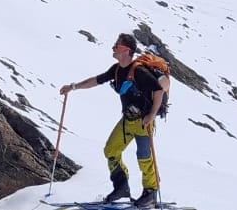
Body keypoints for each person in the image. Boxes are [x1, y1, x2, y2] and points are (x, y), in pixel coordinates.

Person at [60, 33, 165, 208]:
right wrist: (73, 87)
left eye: (117, 46)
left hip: (143, 122)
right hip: (127, 121)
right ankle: (121, 187)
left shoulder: (139, 71)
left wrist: (152, 115)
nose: (113, 48)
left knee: (144, 157)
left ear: (127, 50)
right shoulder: (116, 70)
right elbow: (96, 80)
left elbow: (159, 90)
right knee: (111, 150)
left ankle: (150, 192)